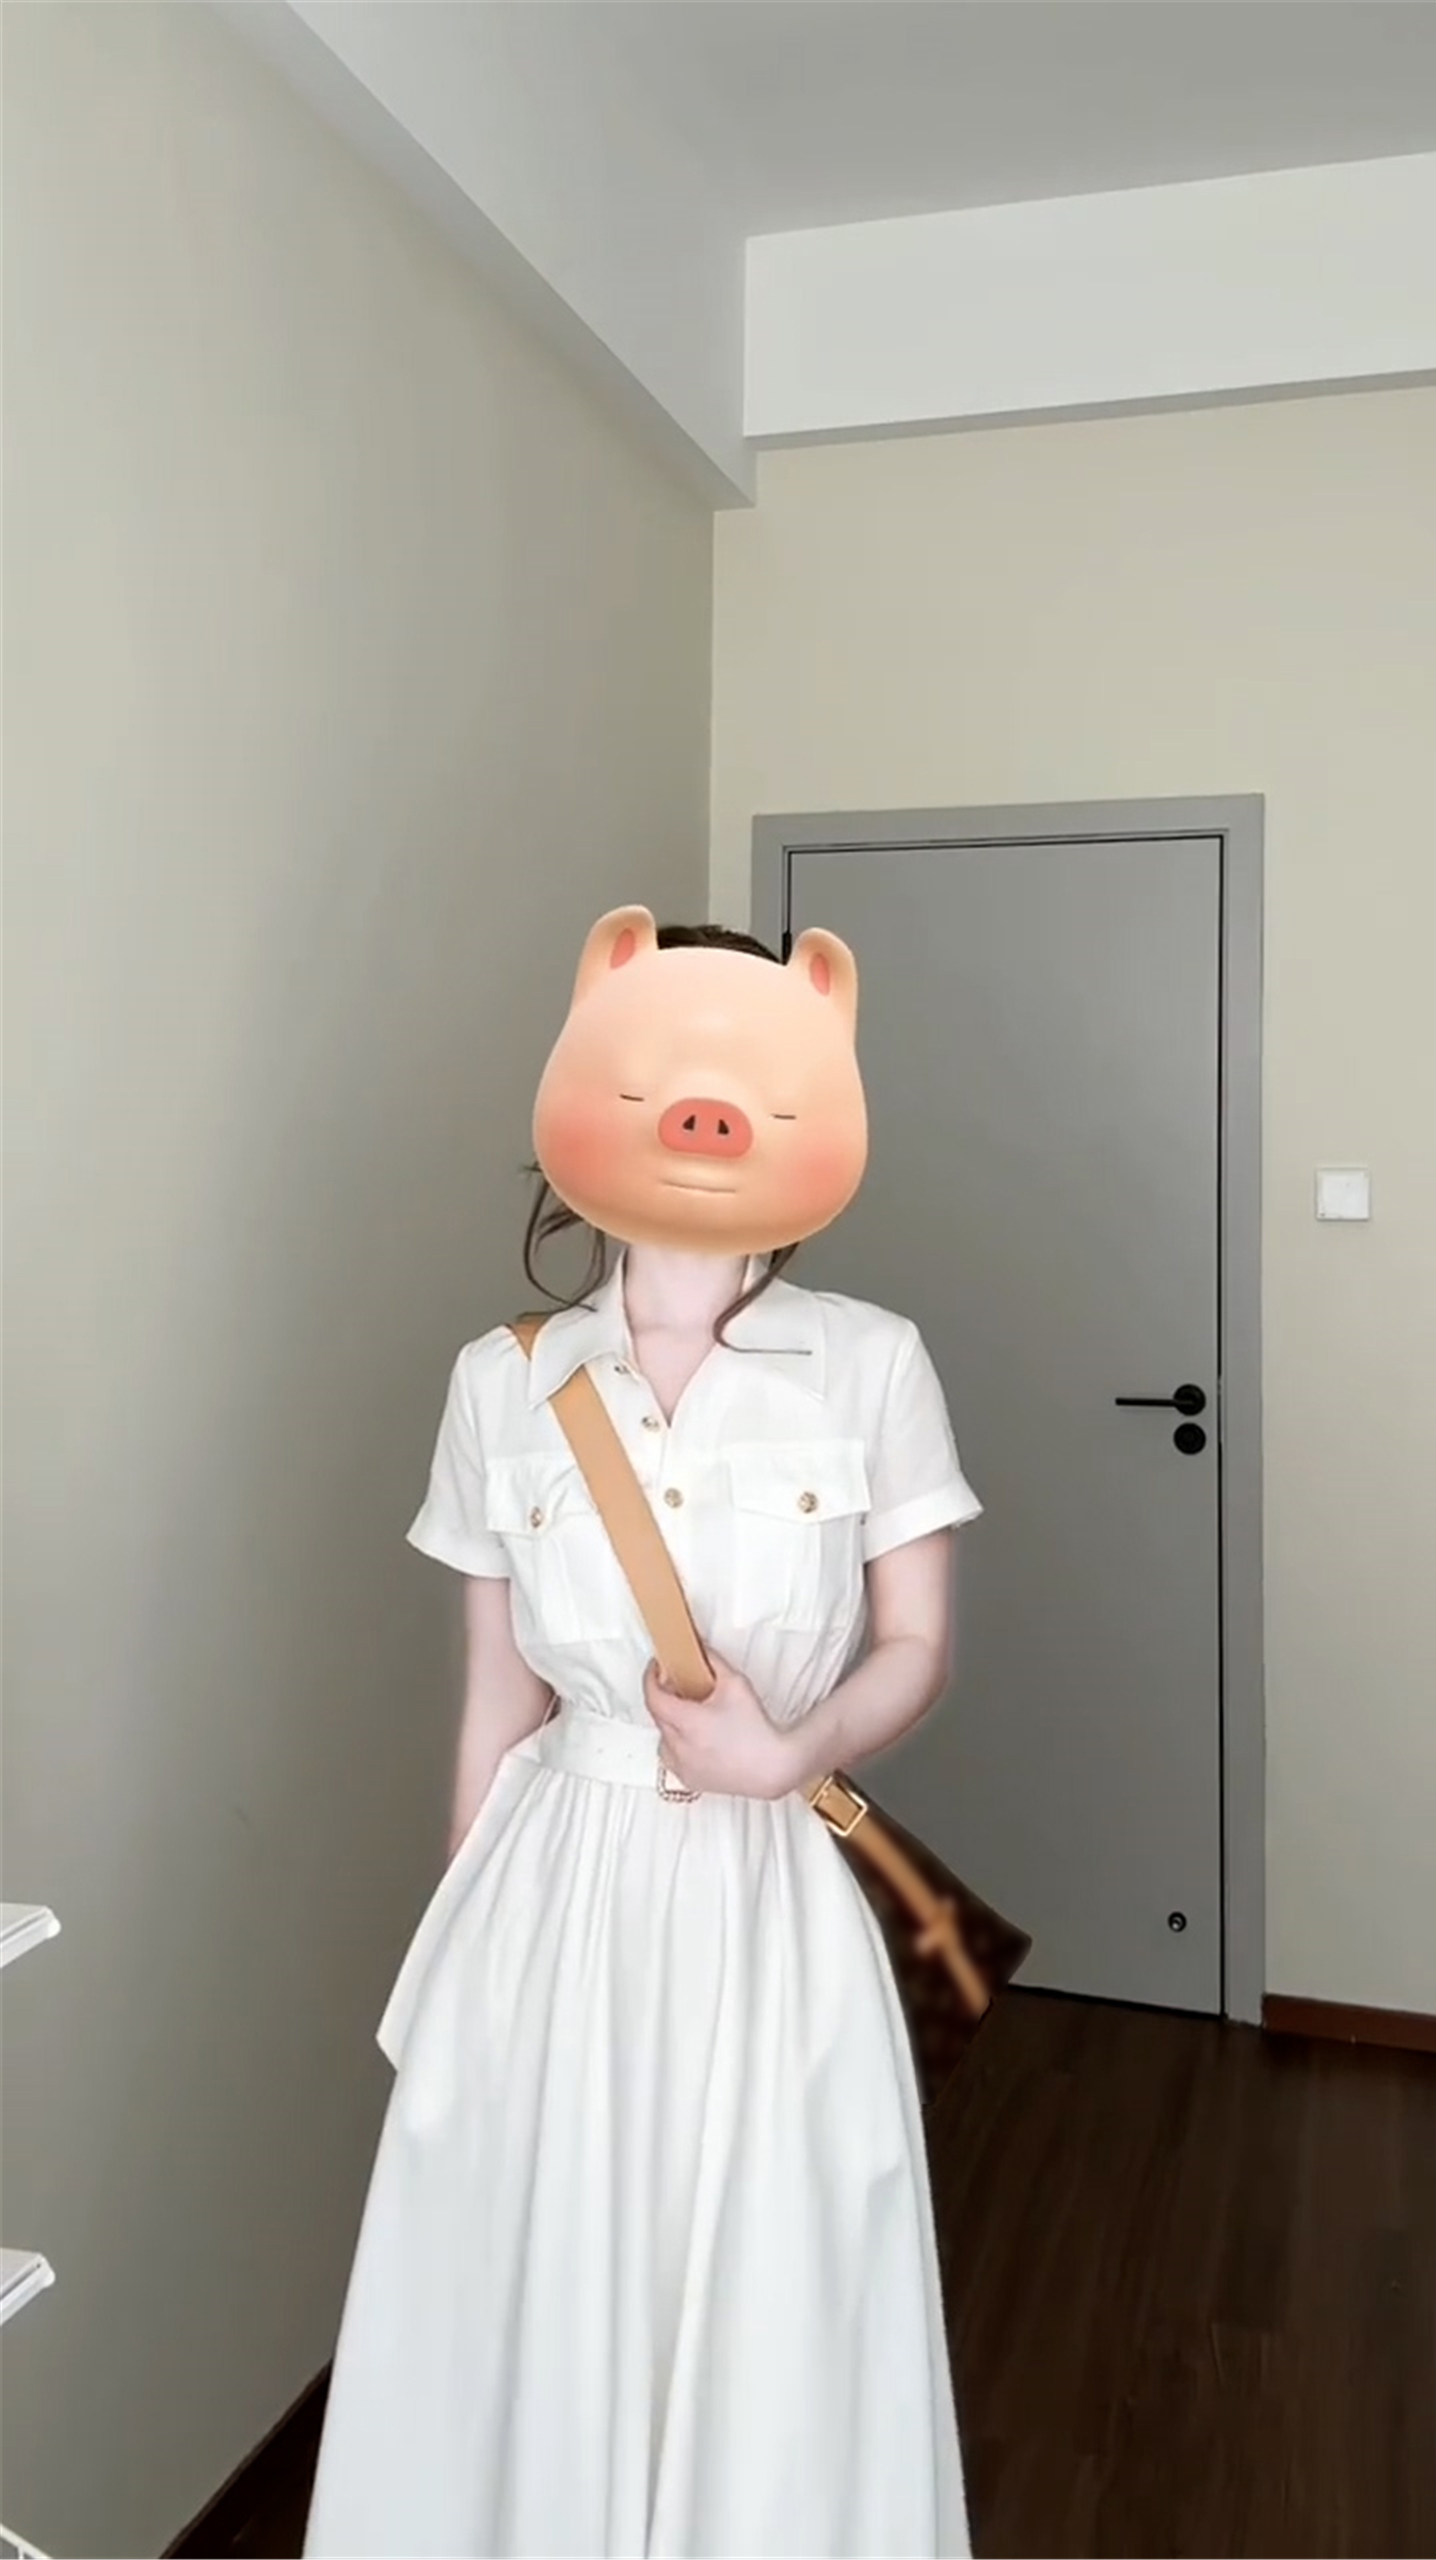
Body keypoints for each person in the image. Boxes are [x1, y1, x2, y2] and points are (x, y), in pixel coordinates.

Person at [305, 915, 981, 2558]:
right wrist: (464, 1939)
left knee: (778, 2299)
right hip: (556, 1890)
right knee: (529, 2294)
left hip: (772, 1895)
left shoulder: (872, 1362)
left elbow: (916, 1646)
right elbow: (498, 1694)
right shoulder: (504, 1382)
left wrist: (792, 1748)